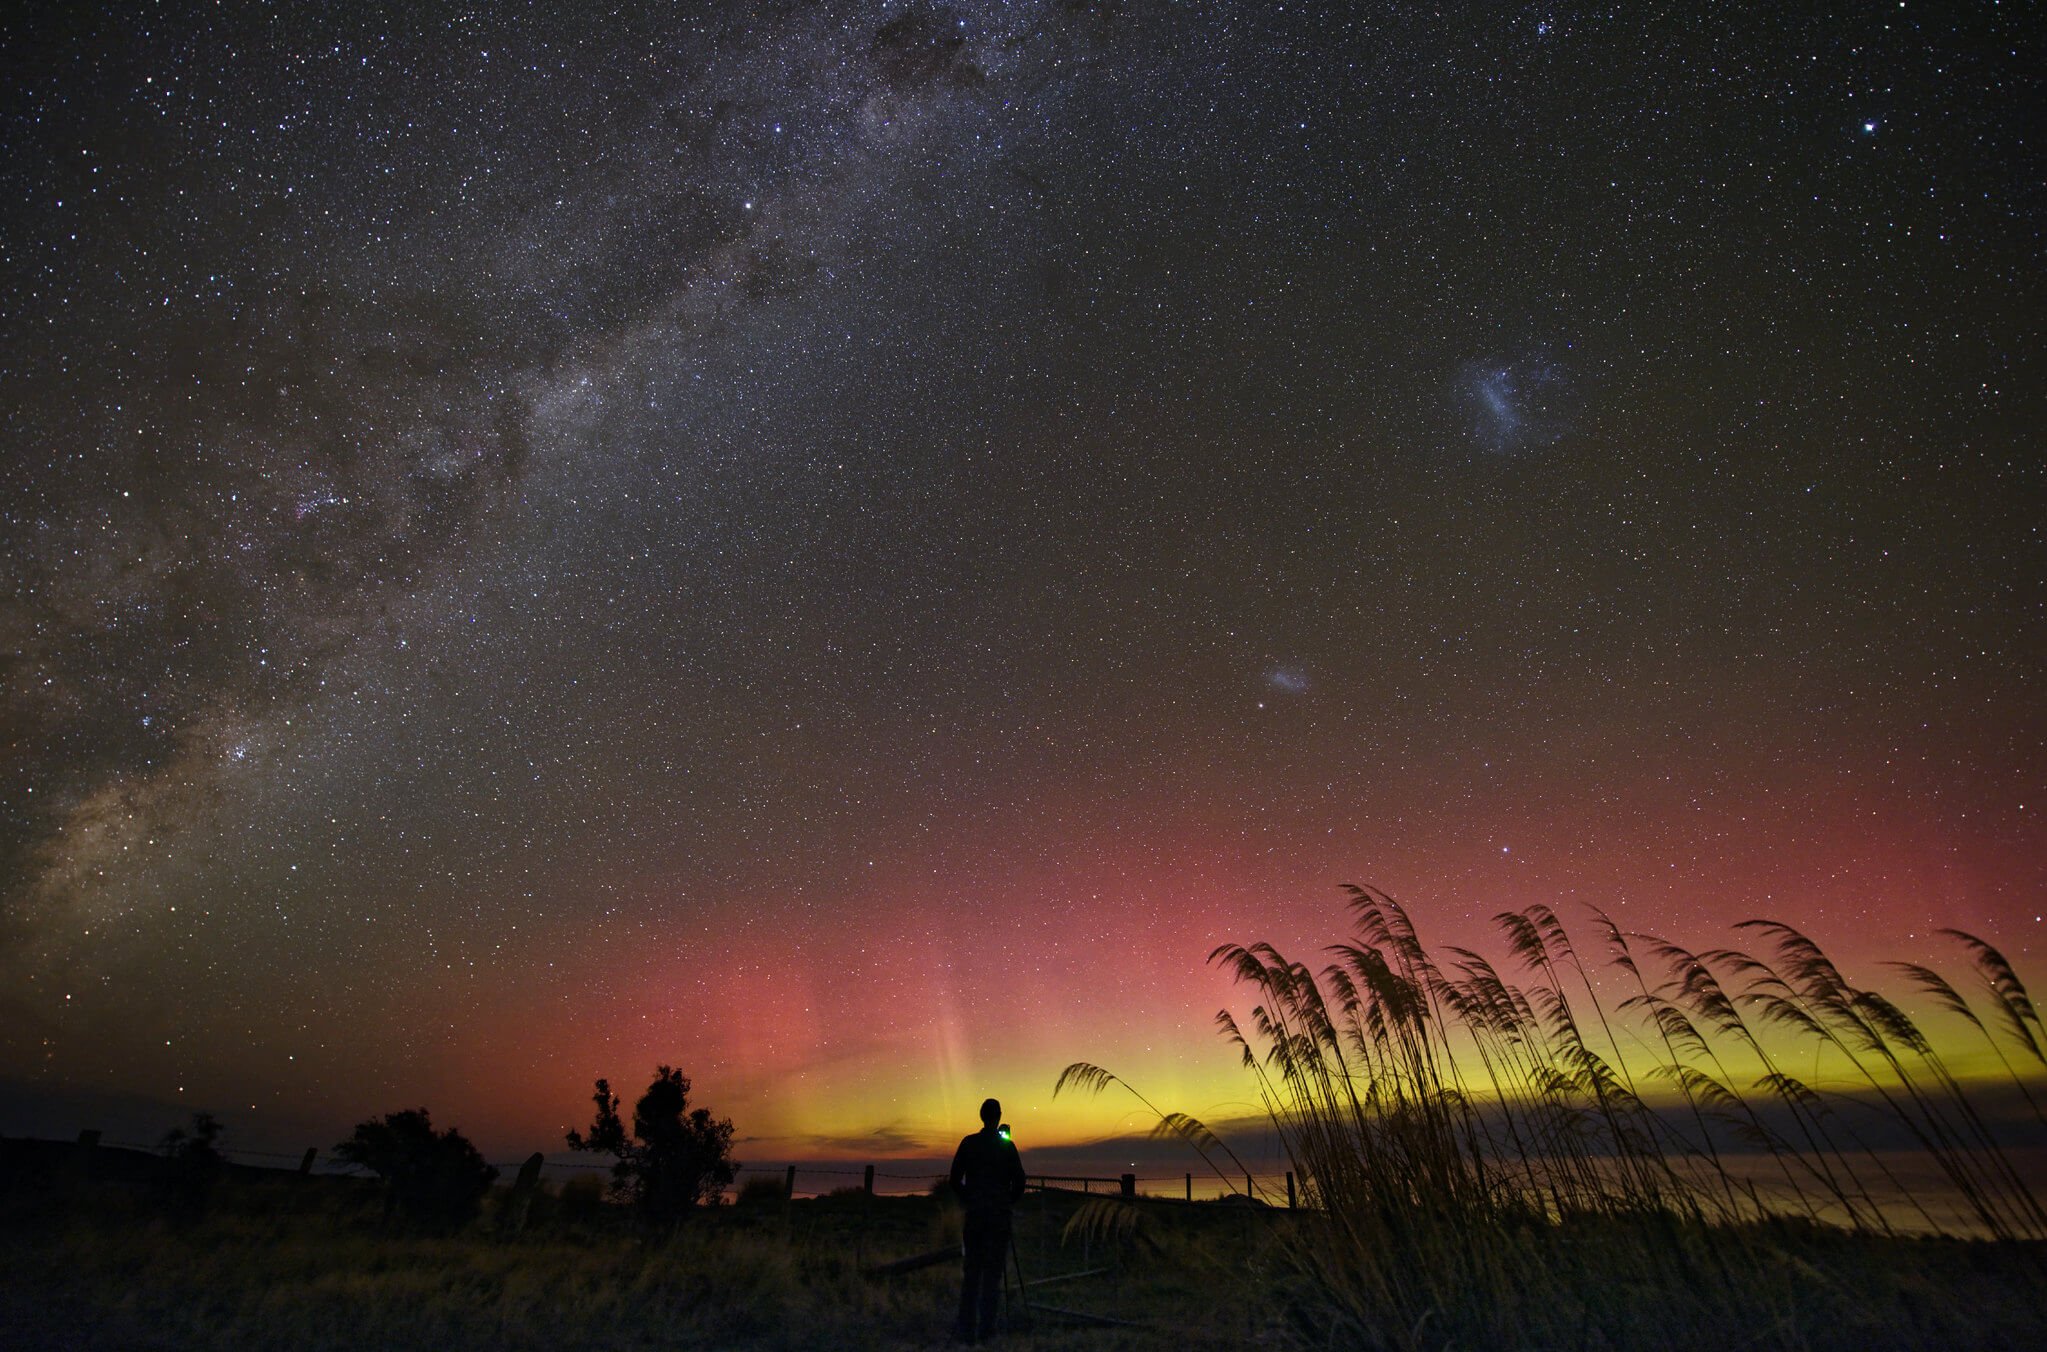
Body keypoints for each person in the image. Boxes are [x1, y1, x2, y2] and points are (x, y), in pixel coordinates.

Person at [949, 1096, 1026, 1343]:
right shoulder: (1006, 1146)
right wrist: (1006, 1202)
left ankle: (966, 1330)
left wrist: (969, 1199)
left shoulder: (969, 1143)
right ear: (999, 1117)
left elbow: (954, 1179)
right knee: (992, 1276)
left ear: (981, 1116)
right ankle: (987, 1331)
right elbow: (1020, 1181)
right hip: (998, 1218)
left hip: (975, 1217)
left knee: (972, 1273)